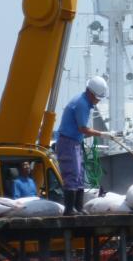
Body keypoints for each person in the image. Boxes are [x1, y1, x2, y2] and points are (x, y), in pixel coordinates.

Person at [56, 76, 112, 215]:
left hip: (74, 142)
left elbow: (81, 131)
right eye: (98, 97)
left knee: (80, 175)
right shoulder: (81, 104)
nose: (98, 100)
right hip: (68, 142)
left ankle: (78, 208)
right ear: (91, 93)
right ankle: (69, 209)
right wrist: (102, 134)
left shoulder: (84, 102)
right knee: (72, 173)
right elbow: (83, 128)